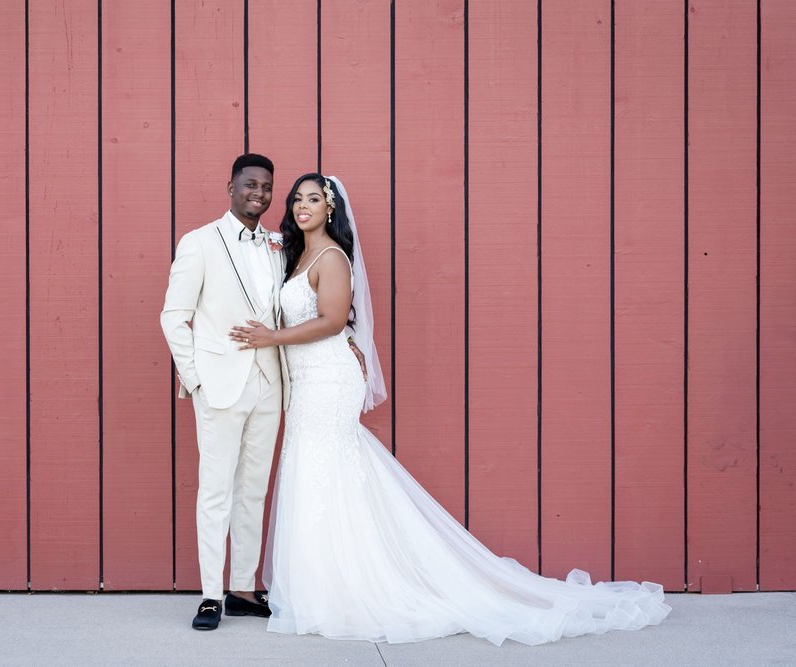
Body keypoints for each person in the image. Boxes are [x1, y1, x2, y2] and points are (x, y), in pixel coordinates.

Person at [228, 174, 671, 646]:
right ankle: (320, 584)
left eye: (314, 199)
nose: (303, 205)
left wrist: (272, 337)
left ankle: (346, 588)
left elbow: (334, 320)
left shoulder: (333, 257)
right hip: (307, 380)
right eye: (297, 199)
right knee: (315, 469)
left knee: (324, 468)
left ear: (330, 208)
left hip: (329, 380)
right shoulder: (296, 255)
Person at [160, 153, 287, 631]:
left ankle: (242, 589)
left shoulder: (278, 245)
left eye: (266, 186)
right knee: (216, 491)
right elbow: (174, 317)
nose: (259, 193)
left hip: (269, 383)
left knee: (254, 490)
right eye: (250, 184)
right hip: (219, 384)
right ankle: (211, 595)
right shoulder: (199, 242)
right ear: (231, 187)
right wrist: (195, 378)